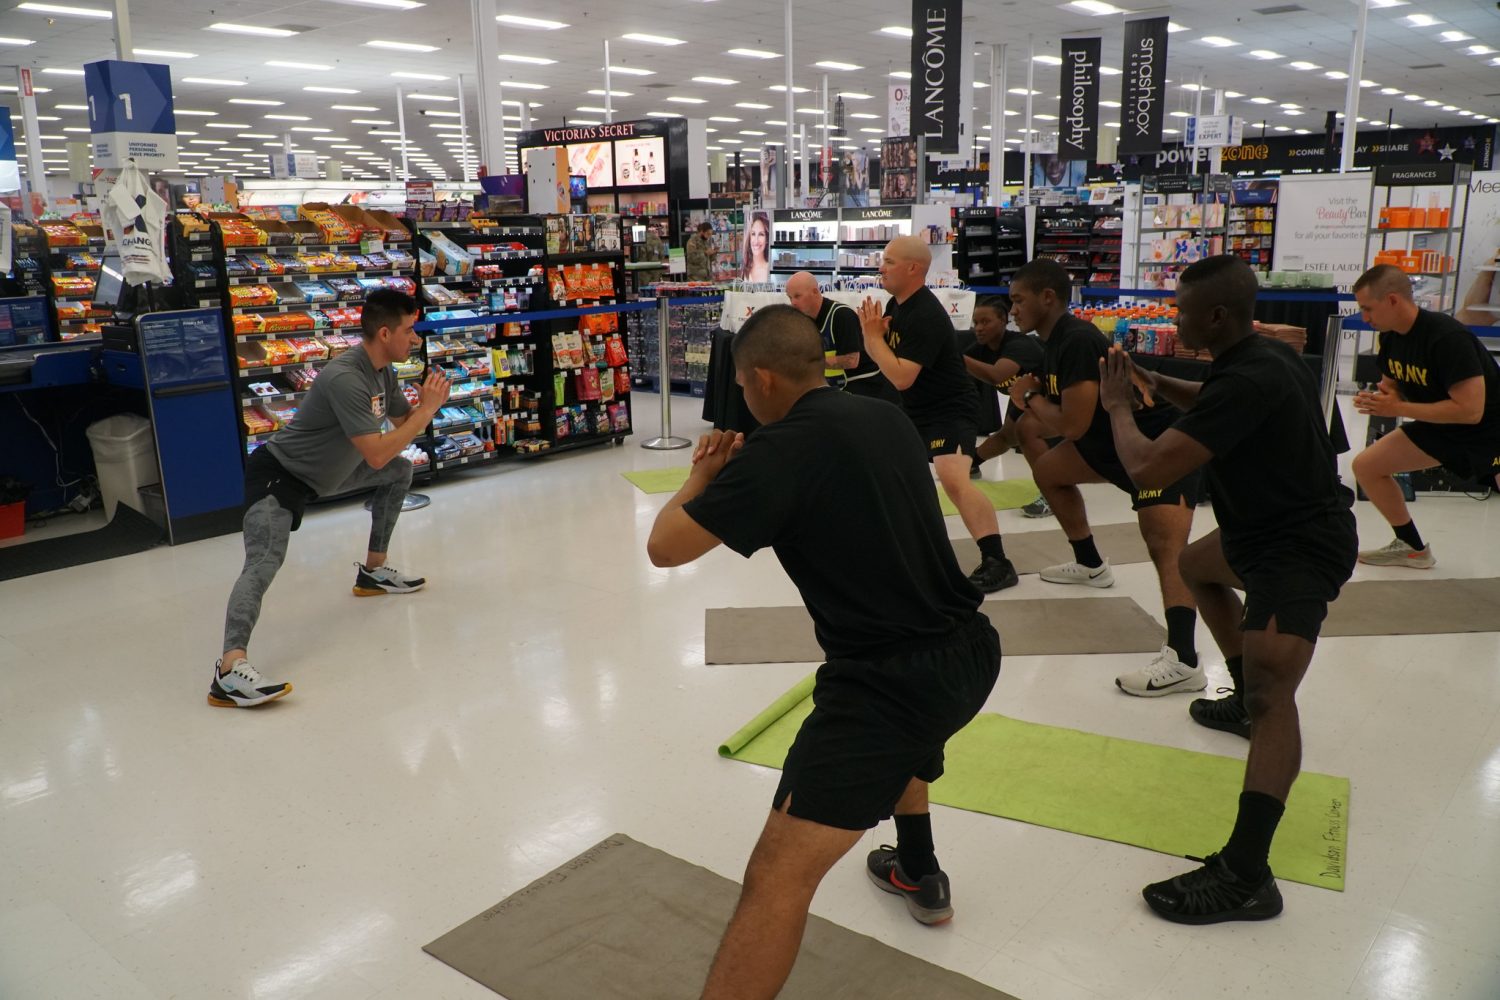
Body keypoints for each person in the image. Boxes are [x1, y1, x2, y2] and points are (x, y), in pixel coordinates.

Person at [646, 304, 1001, 998]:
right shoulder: (882, 414)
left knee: (777, 875)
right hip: (970, 652)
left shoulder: (779, 454)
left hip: (889, 685)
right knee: (907, 745)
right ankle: (918, 868)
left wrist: (702, 477)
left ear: (764, 380)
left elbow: (664, 547)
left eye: (743, 388)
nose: (742, 400)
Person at [1099, 254, 1357, 922]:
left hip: (1299, 548)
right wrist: (1156, 377)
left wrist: (1119, 406)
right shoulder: (1255, 361)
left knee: (1276, 695)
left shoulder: (1251, 374)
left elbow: (1148, 467)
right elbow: (1217, 399)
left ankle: (1246, 875)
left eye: (1181, 311)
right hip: (1257, 534)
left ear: (1215, 315)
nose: (1173, 318)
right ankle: (1242, 700)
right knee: (1194, 568)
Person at [209, 289, 450, 708]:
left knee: (402, 470)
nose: (415, 339)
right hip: (280, 477)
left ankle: (373, 572)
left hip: (326, 477)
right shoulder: (346, 377)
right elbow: (377, 452)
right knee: (265, 561)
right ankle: (229, 670)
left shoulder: (384, 373)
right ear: (384, 331)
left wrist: (428, 406)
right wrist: (425, 414)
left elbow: (399, 430)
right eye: (410, 331)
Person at [1006, 259, 1204, 696]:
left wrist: (1030, 396)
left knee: (1165, 547)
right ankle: (1091, 564)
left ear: (1047, 298)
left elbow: (1070, 426)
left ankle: (1184, 659)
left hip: (1158, 451)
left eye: (1018, 300)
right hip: (1114, 448)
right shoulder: (1053, 341)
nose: (1012, 309)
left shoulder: (1075, 339)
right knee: (1049, 470)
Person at [856, 236, 1018, 592]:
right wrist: (877, 337)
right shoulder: (898, 306)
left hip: (949, 409)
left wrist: (873, 341)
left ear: (913, 268)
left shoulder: (925, 313)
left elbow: (900, 376)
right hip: (915, 410)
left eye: (889, 261)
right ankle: (907, 552)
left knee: (954, 479)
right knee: (890, 477)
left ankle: (998, 561)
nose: (881, 267)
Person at [1350, 263, 1500, 566]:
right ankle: (1412, 548)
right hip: (1442, 425)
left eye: (1369, 309)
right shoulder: (1391, 337)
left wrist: (1397, 407)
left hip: (1491, 429)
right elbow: (1392, 384)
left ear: (1393, 300)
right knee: (1367, 466)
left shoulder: (1447, 338)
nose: (1364, 318)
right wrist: (1384, 397)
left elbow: (1471, 411)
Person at [784, 270, 900, 404]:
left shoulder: (841, 315)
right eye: (790, 297)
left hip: (866, 388)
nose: (793, 302)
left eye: (797, 296)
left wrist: (808, 362)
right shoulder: (805, 319)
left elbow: (851, 360)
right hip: (837, 389)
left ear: (815, 292)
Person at [963, 296, 1044, 486]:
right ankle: (972, 462)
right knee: (1008, 435)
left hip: (1052, 396)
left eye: (985, 322)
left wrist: (956, 357)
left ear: (1003, 320)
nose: (979, 328)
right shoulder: (981, 348)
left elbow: (996, 375)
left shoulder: (1020, 344)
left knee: (1029, 436)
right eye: (976, 323)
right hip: (1025, 399)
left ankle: (1051, 491)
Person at [741, 212, 771, 283]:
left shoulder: (769, 269)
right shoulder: (746, 269)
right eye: (753, 234)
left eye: (761, 234)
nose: (756, 241)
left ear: (767, 239)